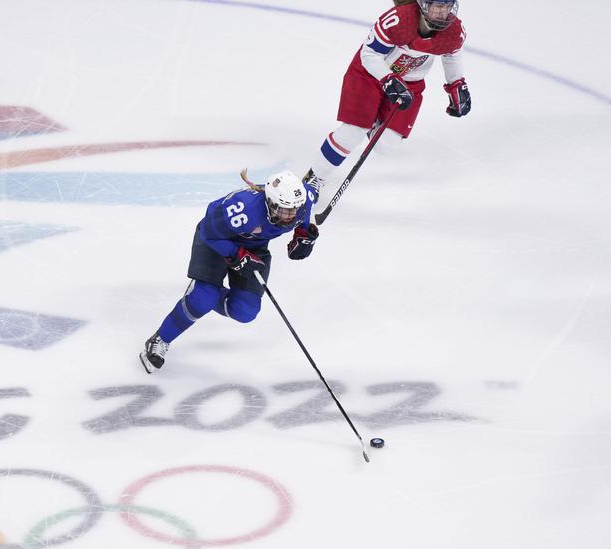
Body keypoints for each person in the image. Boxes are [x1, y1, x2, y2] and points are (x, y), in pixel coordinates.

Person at [140, 170, 319, 373]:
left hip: (253, 246)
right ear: (269, 202)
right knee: (203, 298)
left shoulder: (301, 203)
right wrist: (237, 255)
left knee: (245, 311)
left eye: (294, 210)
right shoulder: (244, 209)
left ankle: (209, 293)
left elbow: (311, 195)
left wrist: (304, 238)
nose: (290, 216)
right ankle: (161, 338)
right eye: (284, 210)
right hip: (217, 240)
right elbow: (209, 232)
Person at [303, 0, 471, 194]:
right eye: (438, 7)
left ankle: (371, 120)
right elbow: (369, 55)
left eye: (447, 7)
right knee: (353, 132)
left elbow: (452, 53)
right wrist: (388, 78)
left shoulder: (454, 31)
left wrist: (456, 83)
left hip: (410, 83)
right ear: (423, 5)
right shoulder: (399, 20)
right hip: (370, 75)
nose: (443, 13)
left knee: (386, 144)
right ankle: (314, 178)